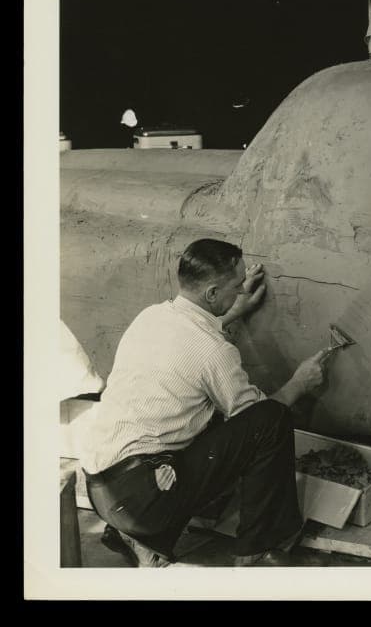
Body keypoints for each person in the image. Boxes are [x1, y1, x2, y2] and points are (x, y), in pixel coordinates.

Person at [80, 238, 333, 567]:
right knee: (272, 419)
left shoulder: (152, 316)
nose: (243, 290)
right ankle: (257, 550)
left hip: (102, 490)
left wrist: (230, 313)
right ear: (212, 294)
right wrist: (300, 382)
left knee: (203, 414)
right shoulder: (215, 351)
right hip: (144, 499)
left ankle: (141, 538)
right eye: (238, 285)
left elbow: (191, 343)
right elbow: (256, 416)